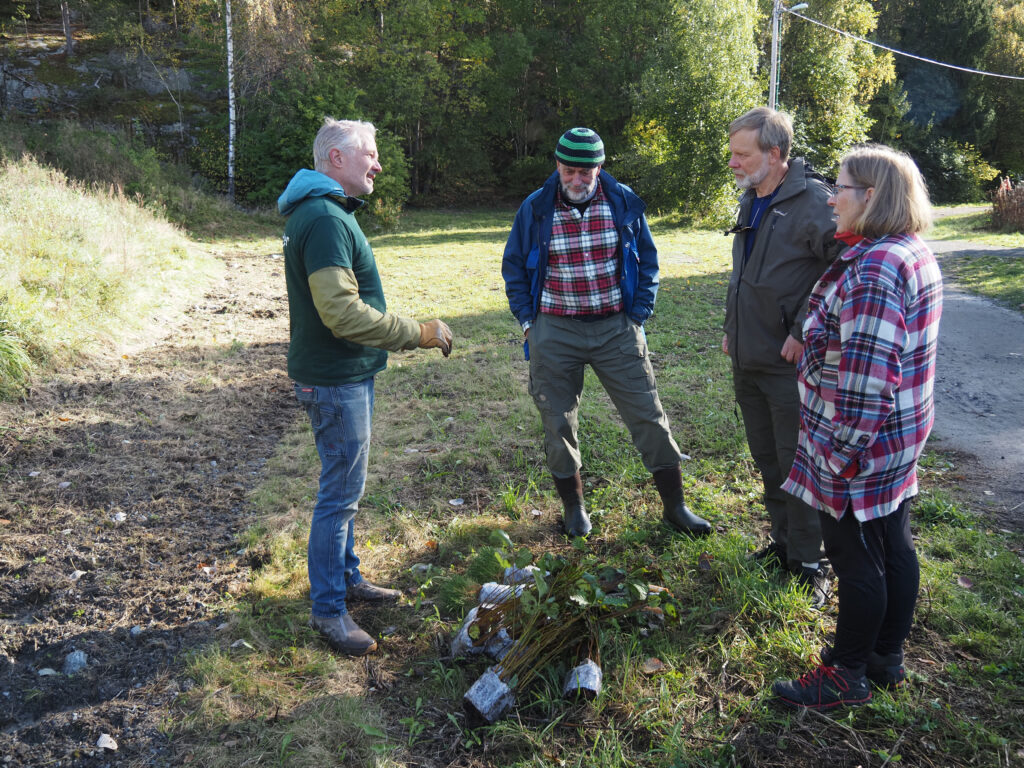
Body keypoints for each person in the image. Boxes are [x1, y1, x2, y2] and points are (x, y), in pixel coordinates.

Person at [772, 144, 942, 709]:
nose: (830, 197)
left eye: (839, 187)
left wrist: (841, 454)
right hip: (899, 437)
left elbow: (869, 381)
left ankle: (846, 674)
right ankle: (884, 658)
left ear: (869, 197)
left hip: (860, 442)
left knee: (854, 556)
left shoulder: (875, 268)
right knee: (893, 543)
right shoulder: (905, 251)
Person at [278, 118, 454, 656]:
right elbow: (341, 313)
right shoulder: (326, 218)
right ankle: (329, 610)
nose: (378, 164)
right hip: (336, 380)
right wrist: (417, 333)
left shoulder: (322, 212)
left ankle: (347, 578)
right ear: (335, 159)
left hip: (341, 376)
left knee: (345, 489)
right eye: (369, 155)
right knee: (340, 495)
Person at [502, 127, 711, 538]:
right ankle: (575, 510)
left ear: (600, 168)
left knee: (649, 416)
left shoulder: (622, 202)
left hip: (616, 328)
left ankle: (676, 507)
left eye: (586, 172)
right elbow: (513, 267)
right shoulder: (536, 208)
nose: (577, 180)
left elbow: (647, 260)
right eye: (568, 170)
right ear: (557, 166)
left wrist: (638, 314)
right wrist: (530, 323)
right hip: (555, 330)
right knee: (557, 423)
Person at [723, 107, 840, 606]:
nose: (733, 163)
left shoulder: (818, 203)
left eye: (741, 154)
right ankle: (784, 545)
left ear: (774, 155)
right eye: (731, 153)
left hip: (792, 364)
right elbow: (746, 272)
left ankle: (812, 565)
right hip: (749, 357)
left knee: (800, 465)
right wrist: (733, 328)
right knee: (768, 459)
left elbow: (843, 274)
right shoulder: (754, 196)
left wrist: (801, 330)